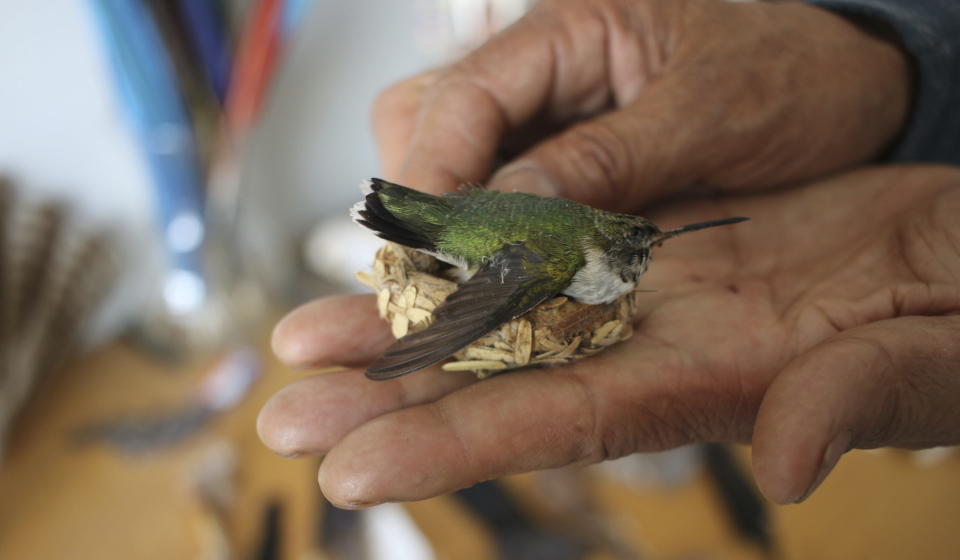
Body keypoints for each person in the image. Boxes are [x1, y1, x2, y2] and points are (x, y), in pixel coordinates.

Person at [257, 0, 960, 508]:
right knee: (486, 286)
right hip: (470, 232)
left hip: (482, 215)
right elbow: (499, 292)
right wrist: (448, 331)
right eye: (637, 249)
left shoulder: (588, 246)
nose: (647, 258)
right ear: (601, 250)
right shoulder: (562, 262)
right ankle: (393, 215)